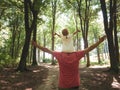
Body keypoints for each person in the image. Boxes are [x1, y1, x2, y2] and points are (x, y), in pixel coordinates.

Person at [32, 35, 106, 90]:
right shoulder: (77, 54)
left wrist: (36, 45)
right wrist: (99, 41)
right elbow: (90, 48)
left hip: (62, 86)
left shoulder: (60, 55)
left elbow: (46, 50)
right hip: (75, 85)